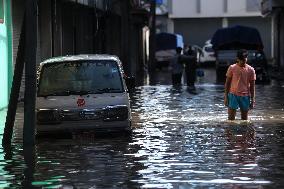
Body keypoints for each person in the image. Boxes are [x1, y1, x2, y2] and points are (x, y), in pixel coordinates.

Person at [224, 49, 256, 120]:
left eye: (244, 60)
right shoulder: (232, 68)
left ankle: (244, 131)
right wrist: (226, 96)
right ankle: (230, 131)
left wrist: (252, 100)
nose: (242, 62)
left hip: (245, 96)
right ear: (237, 59)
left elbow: (252, 86)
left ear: (246, 58)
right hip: (233, 95)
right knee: (231, 119)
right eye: (241, 60)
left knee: (244, 119)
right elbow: (227, 83)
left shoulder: (251, 70)